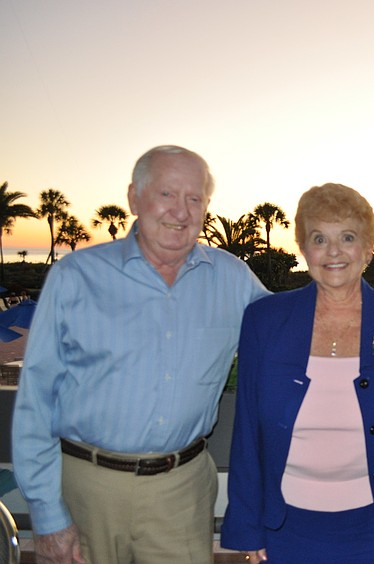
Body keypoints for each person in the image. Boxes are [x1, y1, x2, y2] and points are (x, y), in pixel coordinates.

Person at [12, 145, 269, 564]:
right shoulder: (76, 276)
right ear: (134, 198)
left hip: (182, 495)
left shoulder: (232, 277)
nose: (181, 212)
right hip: (82, 489)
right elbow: (35, 400)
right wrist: (46, 514)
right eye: (166, 194)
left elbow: (288, 338)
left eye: (194, 199)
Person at [220, 183, 374, 563]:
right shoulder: (264, 320)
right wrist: (247, 526)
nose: (333, 251)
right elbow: (247, 431)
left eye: (347, 237)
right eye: (319, 238)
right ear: (303, 248)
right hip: (284, 526)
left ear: (368, 247)